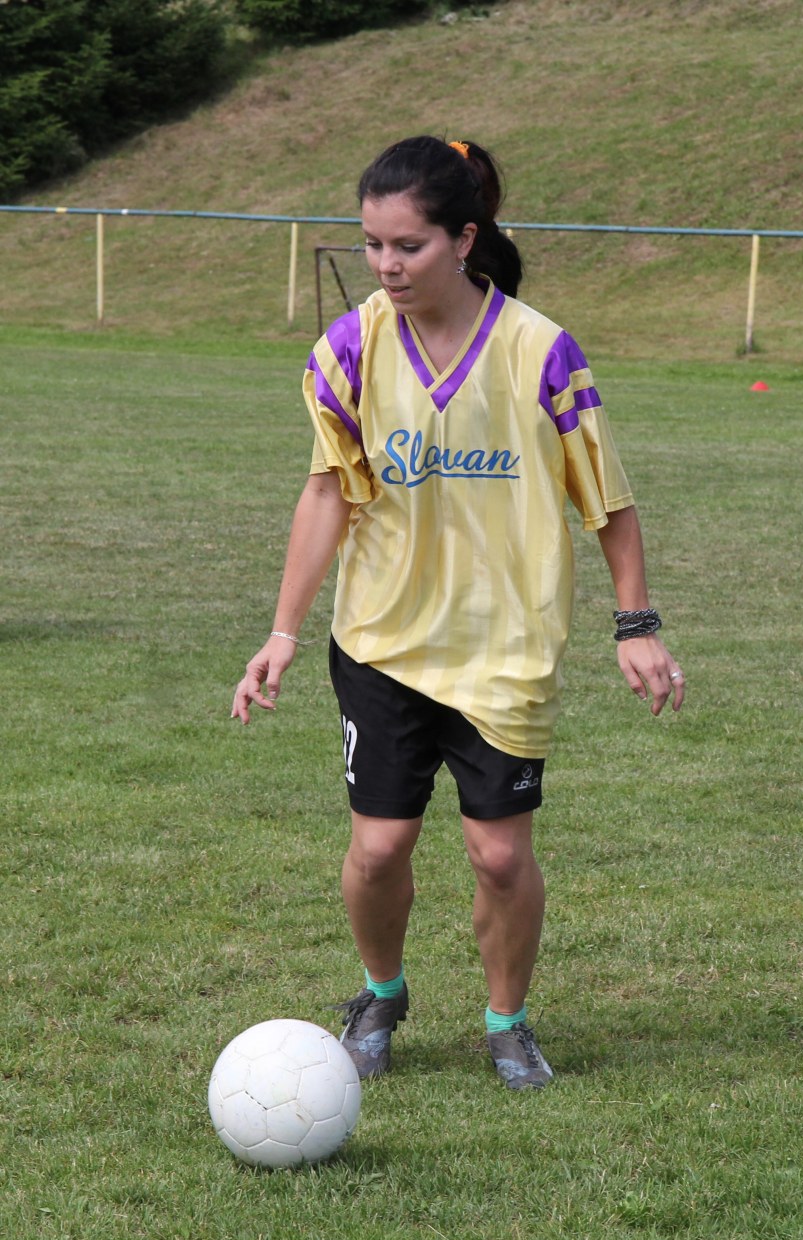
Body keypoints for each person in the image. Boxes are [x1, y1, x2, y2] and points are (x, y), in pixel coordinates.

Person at [232, 135, 685, 1091]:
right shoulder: (348, 349)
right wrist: (280, 633)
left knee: (500, 857)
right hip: (380, 639)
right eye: (372, 245)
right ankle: (380, 995)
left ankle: (506, 1022)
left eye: (409, 246)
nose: (386, 265)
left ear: (464, 238)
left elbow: (608, 501)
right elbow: (327, 491)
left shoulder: (540, 350)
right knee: (378, 846)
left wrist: (636, 626)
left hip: (505, 647)